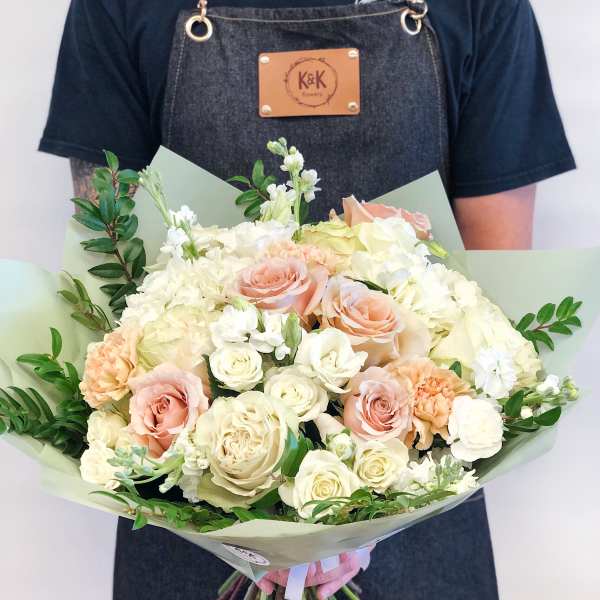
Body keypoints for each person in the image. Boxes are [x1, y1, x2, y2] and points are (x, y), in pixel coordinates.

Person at [40, 1, 575, 598]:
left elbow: (493, 307)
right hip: (182, 512)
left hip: (423, 509)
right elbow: (114, 272)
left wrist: (370, 511)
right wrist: (237, 520)